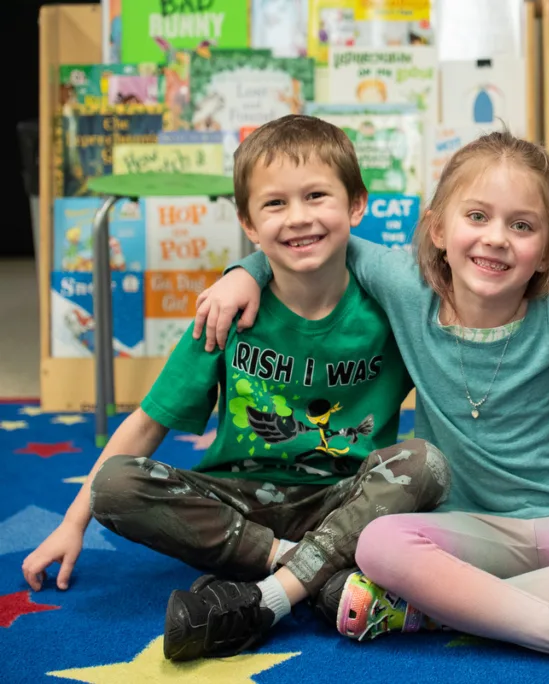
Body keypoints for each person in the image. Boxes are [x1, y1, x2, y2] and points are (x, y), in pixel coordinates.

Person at [193, 131, 549, 683]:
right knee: (379, 543)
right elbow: (315, 242)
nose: (496, 238)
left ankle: (438, 613)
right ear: (438, 228)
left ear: (548, 250)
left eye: (522, 226)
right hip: (469, 530)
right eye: (477, 217)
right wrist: (245, 271)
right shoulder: (404, 286)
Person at [21, 115, 452, 663]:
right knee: (112, 483)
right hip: (240, 503)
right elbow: (148, 424)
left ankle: (267, 590)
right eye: (275, 205)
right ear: (248, 223)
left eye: (317, 196)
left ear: (356, 205)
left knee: (424, 463)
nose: (298, 218)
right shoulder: (224, 312)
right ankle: (318, 572)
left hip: (342, 498)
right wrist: (71, 523)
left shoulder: (393, 309)